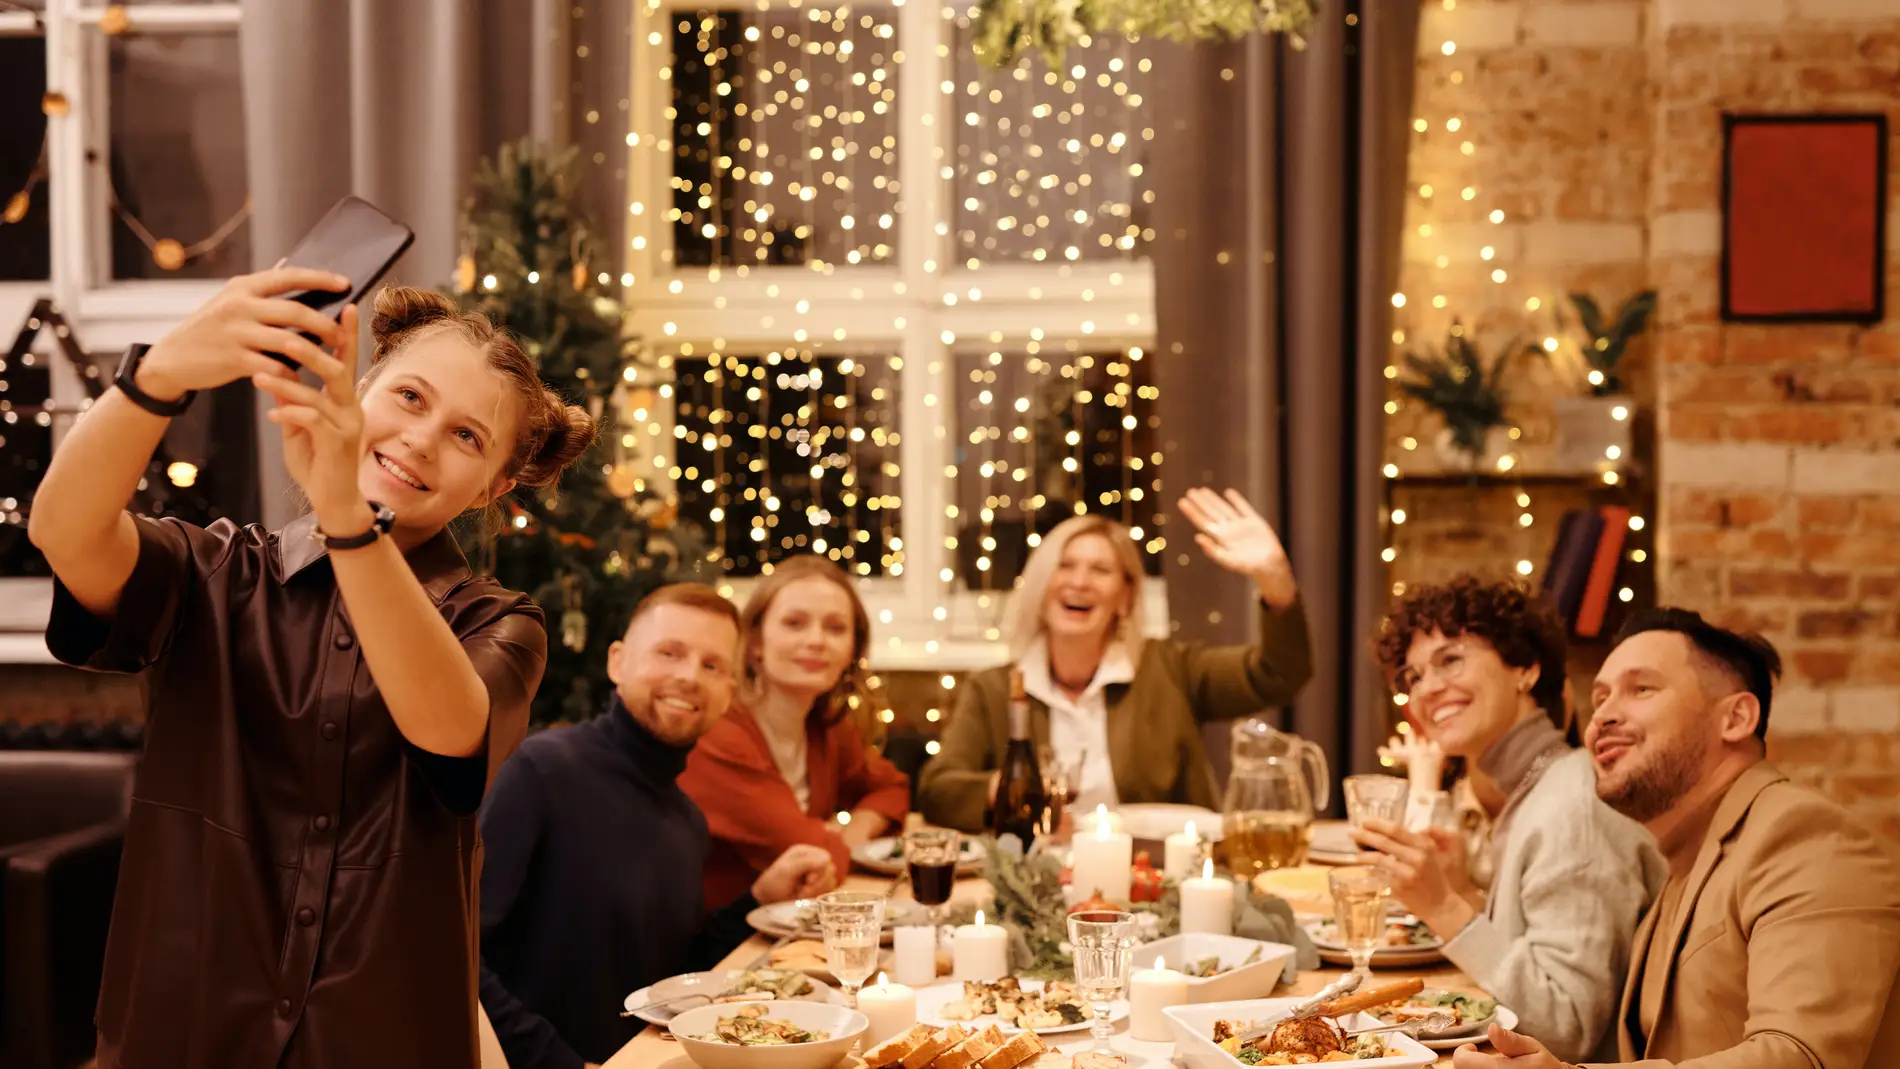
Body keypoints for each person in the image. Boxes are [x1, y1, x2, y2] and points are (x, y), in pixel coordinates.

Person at [29, 278, 595, 1068]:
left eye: (468, 436)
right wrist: (156, 375)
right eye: (407, 395)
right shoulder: (217, 571)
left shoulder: (498, 622)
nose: (423, 438)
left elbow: (450, 727)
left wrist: (347, 522)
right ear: (359, 392)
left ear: (496, 487)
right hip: (179, 1035)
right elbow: (63, 528)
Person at [1452, 608, 1900, 1069]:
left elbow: (1799, 1058)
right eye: (1600, 697)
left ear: (1736, 717)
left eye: (1640, 689)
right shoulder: (1686, 857)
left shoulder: (1807, 839)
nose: (1603, 715)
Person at [478, 583, 841, 1069]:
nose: (689, 676)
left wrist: (756, 900)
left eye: (712, 666)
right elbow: (456, 955)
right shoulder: (540, 773)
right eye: (669, 653)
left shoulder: (686, 819)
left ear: (729, 693)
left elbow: (672, 974)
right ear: (618, 663)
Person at [1354, 577, 1664, 1062]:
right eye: (1413, 677)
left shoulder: (1573, 803)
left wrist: (1443, 907)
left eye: (1450, 660)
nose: (1428, 688)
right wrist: (1463, 893)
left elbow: (1568, 1026)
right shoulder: (1537, 789)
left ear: (1524, 668)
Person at [917, 488, 1312, 831]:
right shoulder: (994, 690)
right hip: (1037, 881)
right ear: (1041, 584)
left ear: (1125, 598)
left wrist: (1275, 580)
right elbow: (938, 791)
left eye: (1100, 570)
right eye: (1065, 566)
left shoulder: (1173, 669)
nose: (1079, 582)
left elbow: (1279, 674)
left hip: (1159, 877)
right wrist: (1007, 788)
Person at [680, 554, 912, 915]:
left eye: (835, 628)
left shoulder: (825, 726)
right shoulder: (719, 732)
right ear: (754, 641)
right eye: (794, 623)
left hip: (787, 929)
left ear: (853, 649)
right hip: (717, 951)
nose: (816, 640)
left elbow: (891, 789)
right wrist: (829, 837)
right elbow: (810, 852)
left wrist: (852, 831)